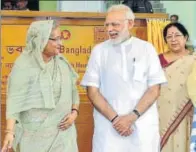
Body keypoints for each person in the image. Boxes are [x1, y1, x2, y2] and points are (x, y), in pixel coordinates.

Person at [80, 4, 166, 152]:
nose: (109, 29)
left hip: (142, 127)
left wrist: (131, 118)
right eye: (107, 25)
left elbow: (154, 89)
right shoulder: (99, 51)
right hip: (109, 128)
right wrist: (116, 120)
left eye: (115, 24)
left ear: (130, 24)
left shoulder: (147, 49)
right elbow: (92, 91)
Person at [1, 20, 80, 152]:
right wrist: (10, 132)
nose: (60, 44)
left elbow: (73, 91)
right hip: (33, 139)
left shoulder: (62, 63)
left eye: (61, 39)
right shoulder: (23, 66)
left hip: (64, 137)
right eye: (55, 39)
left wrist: (74, 113)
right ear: (40, 40)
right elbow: (14, 102)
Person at [158, 22, 196, 152]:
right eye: (169, 37)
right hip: (160, 111)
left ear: (185, 37)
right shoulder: (157, 60)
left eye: (177, 35)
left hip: (186, 111)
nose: (173, 39)